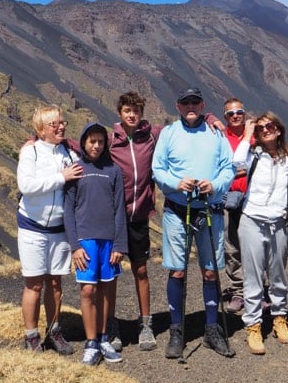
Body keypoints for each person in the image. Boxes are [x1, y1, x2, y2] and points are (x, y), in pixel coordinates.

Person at [152, 87, 236, 358]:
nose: (190, 106)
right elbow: (157, 169)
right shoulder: (168, 134)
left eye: (195, 102)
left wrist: (217, 185)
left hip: (209, 209)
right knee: (177, 270)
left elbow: (228, 168)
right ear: (177, 105)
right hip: (178, 209)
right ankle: (178, 330)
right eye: (185, 101)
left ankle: (212, 328)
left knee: (210, 271)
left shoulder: (216, 133)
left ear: (202, 105)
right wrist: (175, 183)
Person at [15, 104, 82, 354]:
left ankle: (54, 331)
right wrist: (60, 177)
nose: (61, 126)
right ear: (41, 130)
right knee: (33, 283)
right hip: (32, 227)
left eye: (62, 122)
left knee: (55, 283)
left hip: (58, 229)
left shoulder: (68, 151)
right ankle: (31, 335)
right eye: (55, 124)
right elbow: (26, 185)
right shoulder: (31, 152)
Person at [64, 123, 128, 366]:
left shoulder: (113, 171)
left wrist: (119, 245)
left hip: (109, 241)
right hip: (86, 241)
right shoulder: (77, 170)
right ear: (84, 142)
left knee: (104, 289)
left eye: (101, 141)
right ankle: (91, 342)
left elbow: (119, 209)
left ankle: (103, 338)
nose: (96, 145)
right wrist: (75, 245)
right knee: (88, 290)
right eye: (92, 141)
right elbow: (68, 210)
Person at [232, 111, 288, 354]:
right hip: (252, 221)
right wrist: (247, 135)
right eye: (261, 128)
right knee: (253, 276)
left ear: (279, 129)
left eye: (270, 126)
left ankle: (280, 317)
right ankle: (253, 325)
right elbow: (236, 162)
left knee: (278, 273)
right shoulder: (252, 155)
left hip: (279, 222)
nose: (265, 130)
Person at [106, 91, 162, 351]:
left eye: (136, 111)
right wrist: (36, 138)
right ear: (120, 112)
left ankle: (146, 324)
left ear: (141, 113)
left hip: (139, 217)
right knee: (112, 273)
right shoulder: (109, 141)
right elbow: (78, 144)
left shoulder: (150, 136)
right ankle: (111, 326)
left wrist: (208, 116)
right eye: (127, 110)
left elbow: (181, 129)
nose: (132, 115)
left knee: (141, 270)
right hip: (115, 219)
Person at [222, 97, 249, 313]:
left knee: (254, 245)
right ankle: (238, 291)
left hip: (253, 198)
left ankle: (258, 290)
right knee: (231, 245)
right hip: (229, 197)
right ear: (225, 117)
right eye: (231, 113)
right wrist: (244, 169)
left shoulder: (257, 135)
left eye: (238, 112)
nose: (235, 116)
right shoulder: (220, 138)